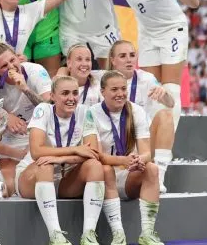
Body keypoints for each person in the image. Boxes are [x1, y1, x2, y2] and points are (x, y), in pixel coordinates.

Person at [112, 0, 200, 128]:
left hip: (172, 30)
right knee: (150, 89)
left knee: (170, 89)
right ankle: (150, 143)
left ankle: (165, 149)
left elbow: (194, 2)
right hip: (147, 34)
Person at [16, 75, 110, 245]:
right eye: (65, 93)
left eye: (75, 93)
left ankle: (88, 235)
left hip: (66, 178)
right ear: (52, 96)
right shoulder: (43, 110)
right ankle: (56, 236)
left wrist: (61, 158)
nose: (71, 98)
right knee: (46, 164)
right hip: (33, 176)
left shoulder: (84, 111)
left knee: (95, 165)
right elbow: (37, 152)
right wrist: (74, 149)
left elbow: (93, 152)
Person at [83, 71, 163, 245]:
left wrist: (138, 161)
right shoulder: (91, 113)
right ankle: (118, 235)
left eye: (123, 89)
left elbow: (147, 152)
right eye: (114, 89)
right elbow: (95, 155)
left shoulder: (136, 110)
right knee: (103, 169)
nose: (120, 94)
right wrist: (123, 161)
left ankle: (147, 233)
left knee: (152, 168)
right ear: (102, 92)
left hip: (128, 175)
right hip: (104, 178)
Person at [0, 40, 53, 196]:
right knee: (5, 188)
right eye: (3, 66)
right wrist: (6, 115)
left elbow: (50, 109)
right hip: (11, 141)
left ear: (18, 57)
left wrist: (25, 88)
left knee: (36, 182)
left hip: (40, 137)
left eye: (12, 60)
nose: (11, 67)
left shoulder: (35, 71)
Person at [108, 41, 177, 193]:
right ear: (112, 60)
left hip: (142, 144)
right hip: (114, 147)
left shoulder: (146, 79)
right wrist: (62, 71)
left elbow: (170, 103)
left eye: (132, 55)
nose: (129, 60)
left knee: (166, 115)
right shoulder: (103, 79)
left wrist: (164, 94)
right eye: (123, 56)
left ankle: (158, 177)